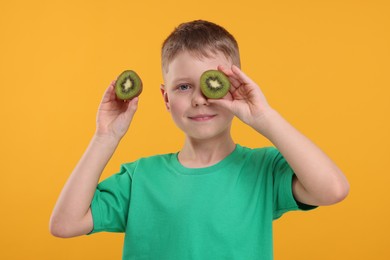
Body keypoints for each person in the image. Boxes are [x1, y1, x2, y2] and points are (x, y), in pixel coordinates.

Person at [50, 20, 350, 259]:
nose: (199, 99)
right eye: (183, 87)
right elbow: (65, 224)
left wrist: (264, 117)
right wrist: (106, 137)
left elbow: (333, 190)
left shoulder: (264, 170)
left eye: (212, 84)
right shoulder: (139, 178)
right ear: (165, 99)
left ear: (234, 87)